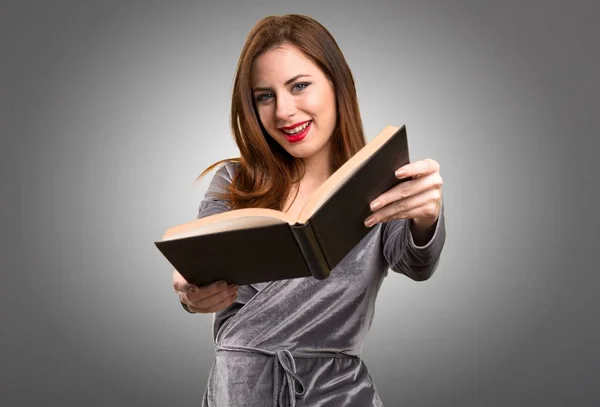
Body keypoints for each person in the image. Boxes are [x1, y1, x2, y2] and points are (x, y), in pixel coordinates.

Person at [172, 14, 446, 407]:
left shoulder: (381, 181)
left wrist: (427, 215)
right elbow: (193, 269)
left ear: (337, 84)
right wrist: (188, 291)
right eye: (265, 96)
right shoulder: (234, 182)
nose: (283, 111)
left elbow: (418, 263)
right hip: (238, 393)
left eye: (299, 86)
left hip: (335, 395)